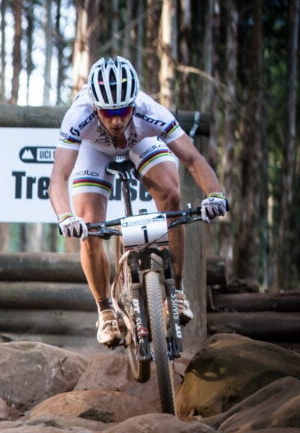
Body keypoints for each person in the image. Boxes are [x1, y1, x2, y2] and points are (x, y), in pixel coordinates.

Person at [49, 56, 229, 347]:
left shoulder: (150, 112)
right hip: (94, 150)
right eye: (108, 112)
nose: (117, 120)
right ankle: (106, 311)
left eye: (123, 110)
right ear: (94, 107)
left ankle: (176, 291)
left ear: (133, 103)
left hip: (140, 141)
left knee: (171, 196)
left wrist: (215, 194)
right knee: (88, 225)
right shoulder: (78, 116)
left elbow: (193, 159)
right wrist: (66, 216)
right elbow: (59, 176)